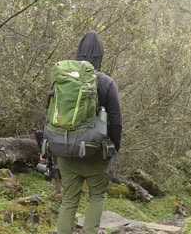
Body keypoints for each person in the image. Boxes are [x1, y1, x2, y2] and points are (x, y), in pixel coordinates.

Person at [56, 31, 122, 234]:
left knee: (68, 200)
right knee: (97, 196)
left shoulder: (62, 78)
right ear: (100, 56)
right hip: (95, 153)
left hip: (65, 150)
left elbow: (50, 113)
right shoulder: (106, 82)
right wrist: (114, 149)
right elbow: (116, 122)